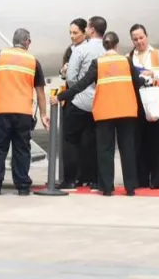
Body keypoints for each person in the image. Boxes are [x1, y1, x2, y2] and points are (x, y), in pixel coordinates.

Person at [56, 31, 143, 196]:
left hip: (105, 112)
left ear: (104, 46)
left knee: (105, 150)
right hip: (126, 110)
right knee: (127, 149)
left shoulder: (98, 63)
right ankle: (130, 187)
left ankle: (107, 187)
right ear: (117, 45)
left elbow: (81, 84)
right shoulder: (126, 61)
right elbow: (137, 82)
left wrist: (61, 96)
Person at [0, 28, 50, 196]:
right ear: (27, 42)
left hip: (2, 111)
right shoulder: (33, 61)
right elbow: (40, 92)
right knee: (22, 150)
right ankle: (22, 186)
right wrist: (44, 115)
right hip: (23, 113)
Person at [57, 16, 107, 189]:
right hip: (100, 100)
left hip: (80, 101)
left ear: (90, 30)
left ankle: (70, 179)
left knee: (71, 139)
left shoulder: (81, 50)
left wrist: (75, 89)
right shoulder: (107, 49)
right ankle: (93, 179)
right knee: (94, 140)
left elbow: (71, 78)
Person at [127, 23, 159, 189]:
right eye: (135, 39)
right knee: (139, 142)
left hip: (156, 102)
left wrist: (153, 73)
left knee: (157, 142)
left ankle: (157, 179)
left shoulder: (157, 54)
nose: (139, 42)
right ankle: (141, 178)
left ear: (146, 37)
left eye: (141, 38)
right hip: (138, 102)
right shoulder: (129, 57)